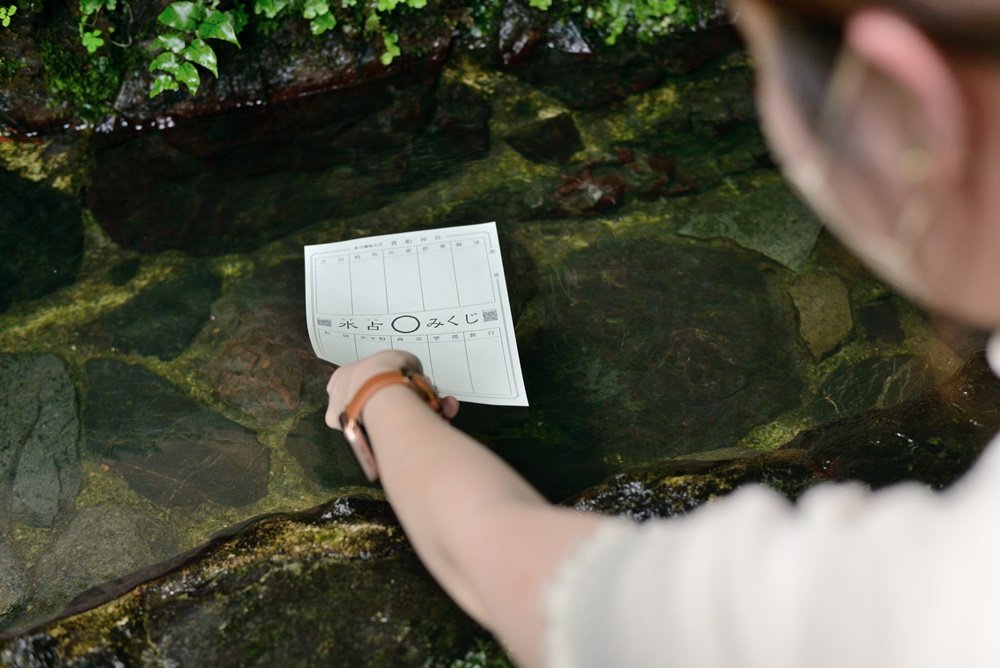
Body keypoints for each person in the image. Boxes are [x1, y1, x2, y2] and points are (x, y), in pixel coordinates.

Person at [325, 0, 1000, 665]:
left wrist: (377, 391)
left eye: (758, 63)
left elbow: (509, 568)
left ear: (918, 106)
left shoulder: (931, 593)